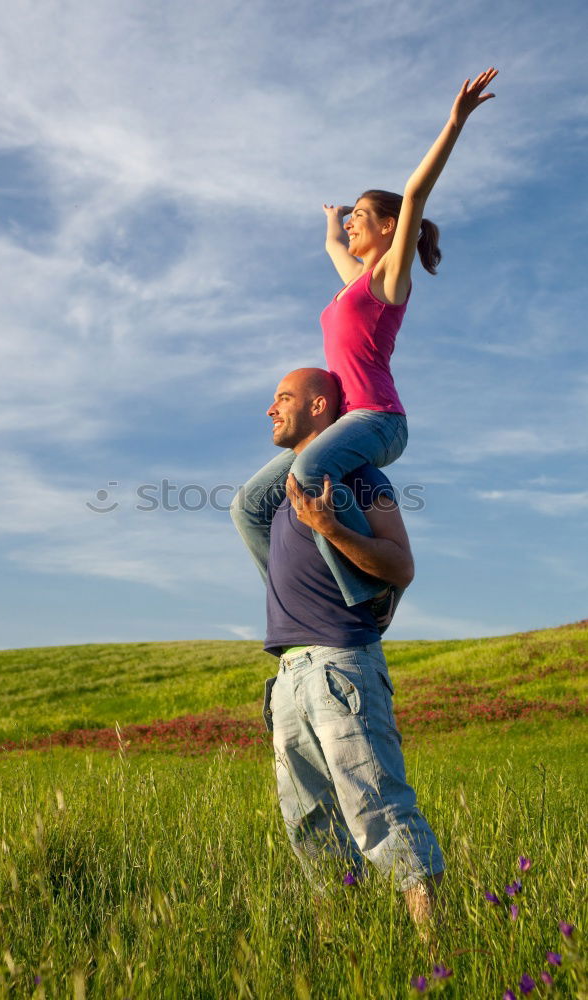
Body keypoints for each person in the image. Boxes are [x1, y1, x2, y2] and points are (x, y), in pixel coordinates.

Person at [231, 68, 498, 609]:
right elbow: (335, 248)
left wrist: (455, 123)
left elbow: (417, 192)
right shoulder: (354, 284)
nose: (351, 225)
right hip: (347, 421)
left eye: (360, 217)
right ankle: (291, 596)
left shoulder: (389, 280)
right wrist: (332, 220)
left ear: (389, 228)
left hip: (379, 419)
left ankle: (369, 589)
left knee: (309, 471)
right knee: (248, 503)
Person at [240, 367, 444, 933]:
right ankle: (349, 953)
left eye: (283, 398)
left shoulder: (359, 474)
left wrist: (331, 526)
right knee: (310, 826)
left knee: (380, 810)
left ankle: (438, 952)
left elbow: (400, 566)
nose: (270, 408)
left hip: (341, 663)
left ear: (319, 406)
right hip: (288, 672)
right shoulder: (279, 498)